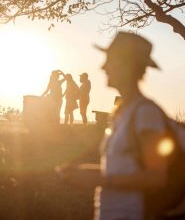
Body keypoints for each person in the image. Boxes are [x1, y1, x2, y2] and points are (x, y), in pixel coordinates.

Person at [56, 32, 171, 220]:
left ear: (127, 65)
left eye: (109, 60)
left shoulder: (146, 113)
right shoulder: (123, 112)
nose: (103, 67)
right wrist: (83, 171)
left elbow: (156, 178)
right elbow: (124, 169)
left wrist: (99, 180)